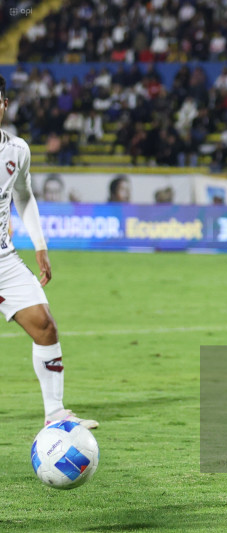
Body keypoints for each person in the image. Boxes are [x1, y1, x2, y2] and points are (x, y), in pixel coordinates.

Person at [0, 75, 97, 429]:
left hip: (3, 260)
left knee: (45, 326)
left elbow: (23, 196)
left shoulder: (17, 151)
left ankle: (55, 413)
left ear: (5, 105)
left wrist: (40, 245)